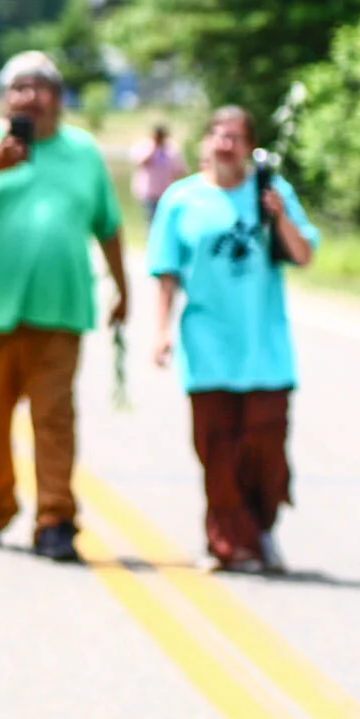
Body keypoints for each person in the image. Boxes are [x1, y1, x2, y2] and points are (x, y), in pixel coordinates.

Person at [0, 51, 129, 562]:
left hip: (59, 310)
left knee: (55, 420)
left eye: (41, 87)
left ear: (58, 100)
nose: (30, 97)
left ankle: (55, 519)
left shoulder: (82, 151)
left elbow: (108, 225)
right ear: (5, 98)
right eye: (19, 87)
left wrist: (121, 287)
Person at [148, 106, 318, 573]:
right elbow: (165, 272)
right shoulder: (181, 200)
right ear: (205, 142)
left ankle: (259, 530)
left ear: (250, 146)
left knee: (266, 449)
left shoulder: (271, 192)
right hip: (208, 346)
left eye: (236, 138)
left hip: (264, 348)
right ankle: (229, 543)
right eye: (219, 136)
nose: (226, 145)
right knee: (217, 446)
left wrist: (279, 216)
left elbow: (303, 254)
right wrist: (160, 330)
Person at [130, 123, 188, 222]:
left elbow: (180, 171)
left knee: (165, 221)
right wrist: (153, 148)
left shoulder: (171, 148)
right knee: (151, 221)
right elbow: (139, 162)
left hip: (166, 192)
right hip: (149, 193)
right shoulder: (144, 146)